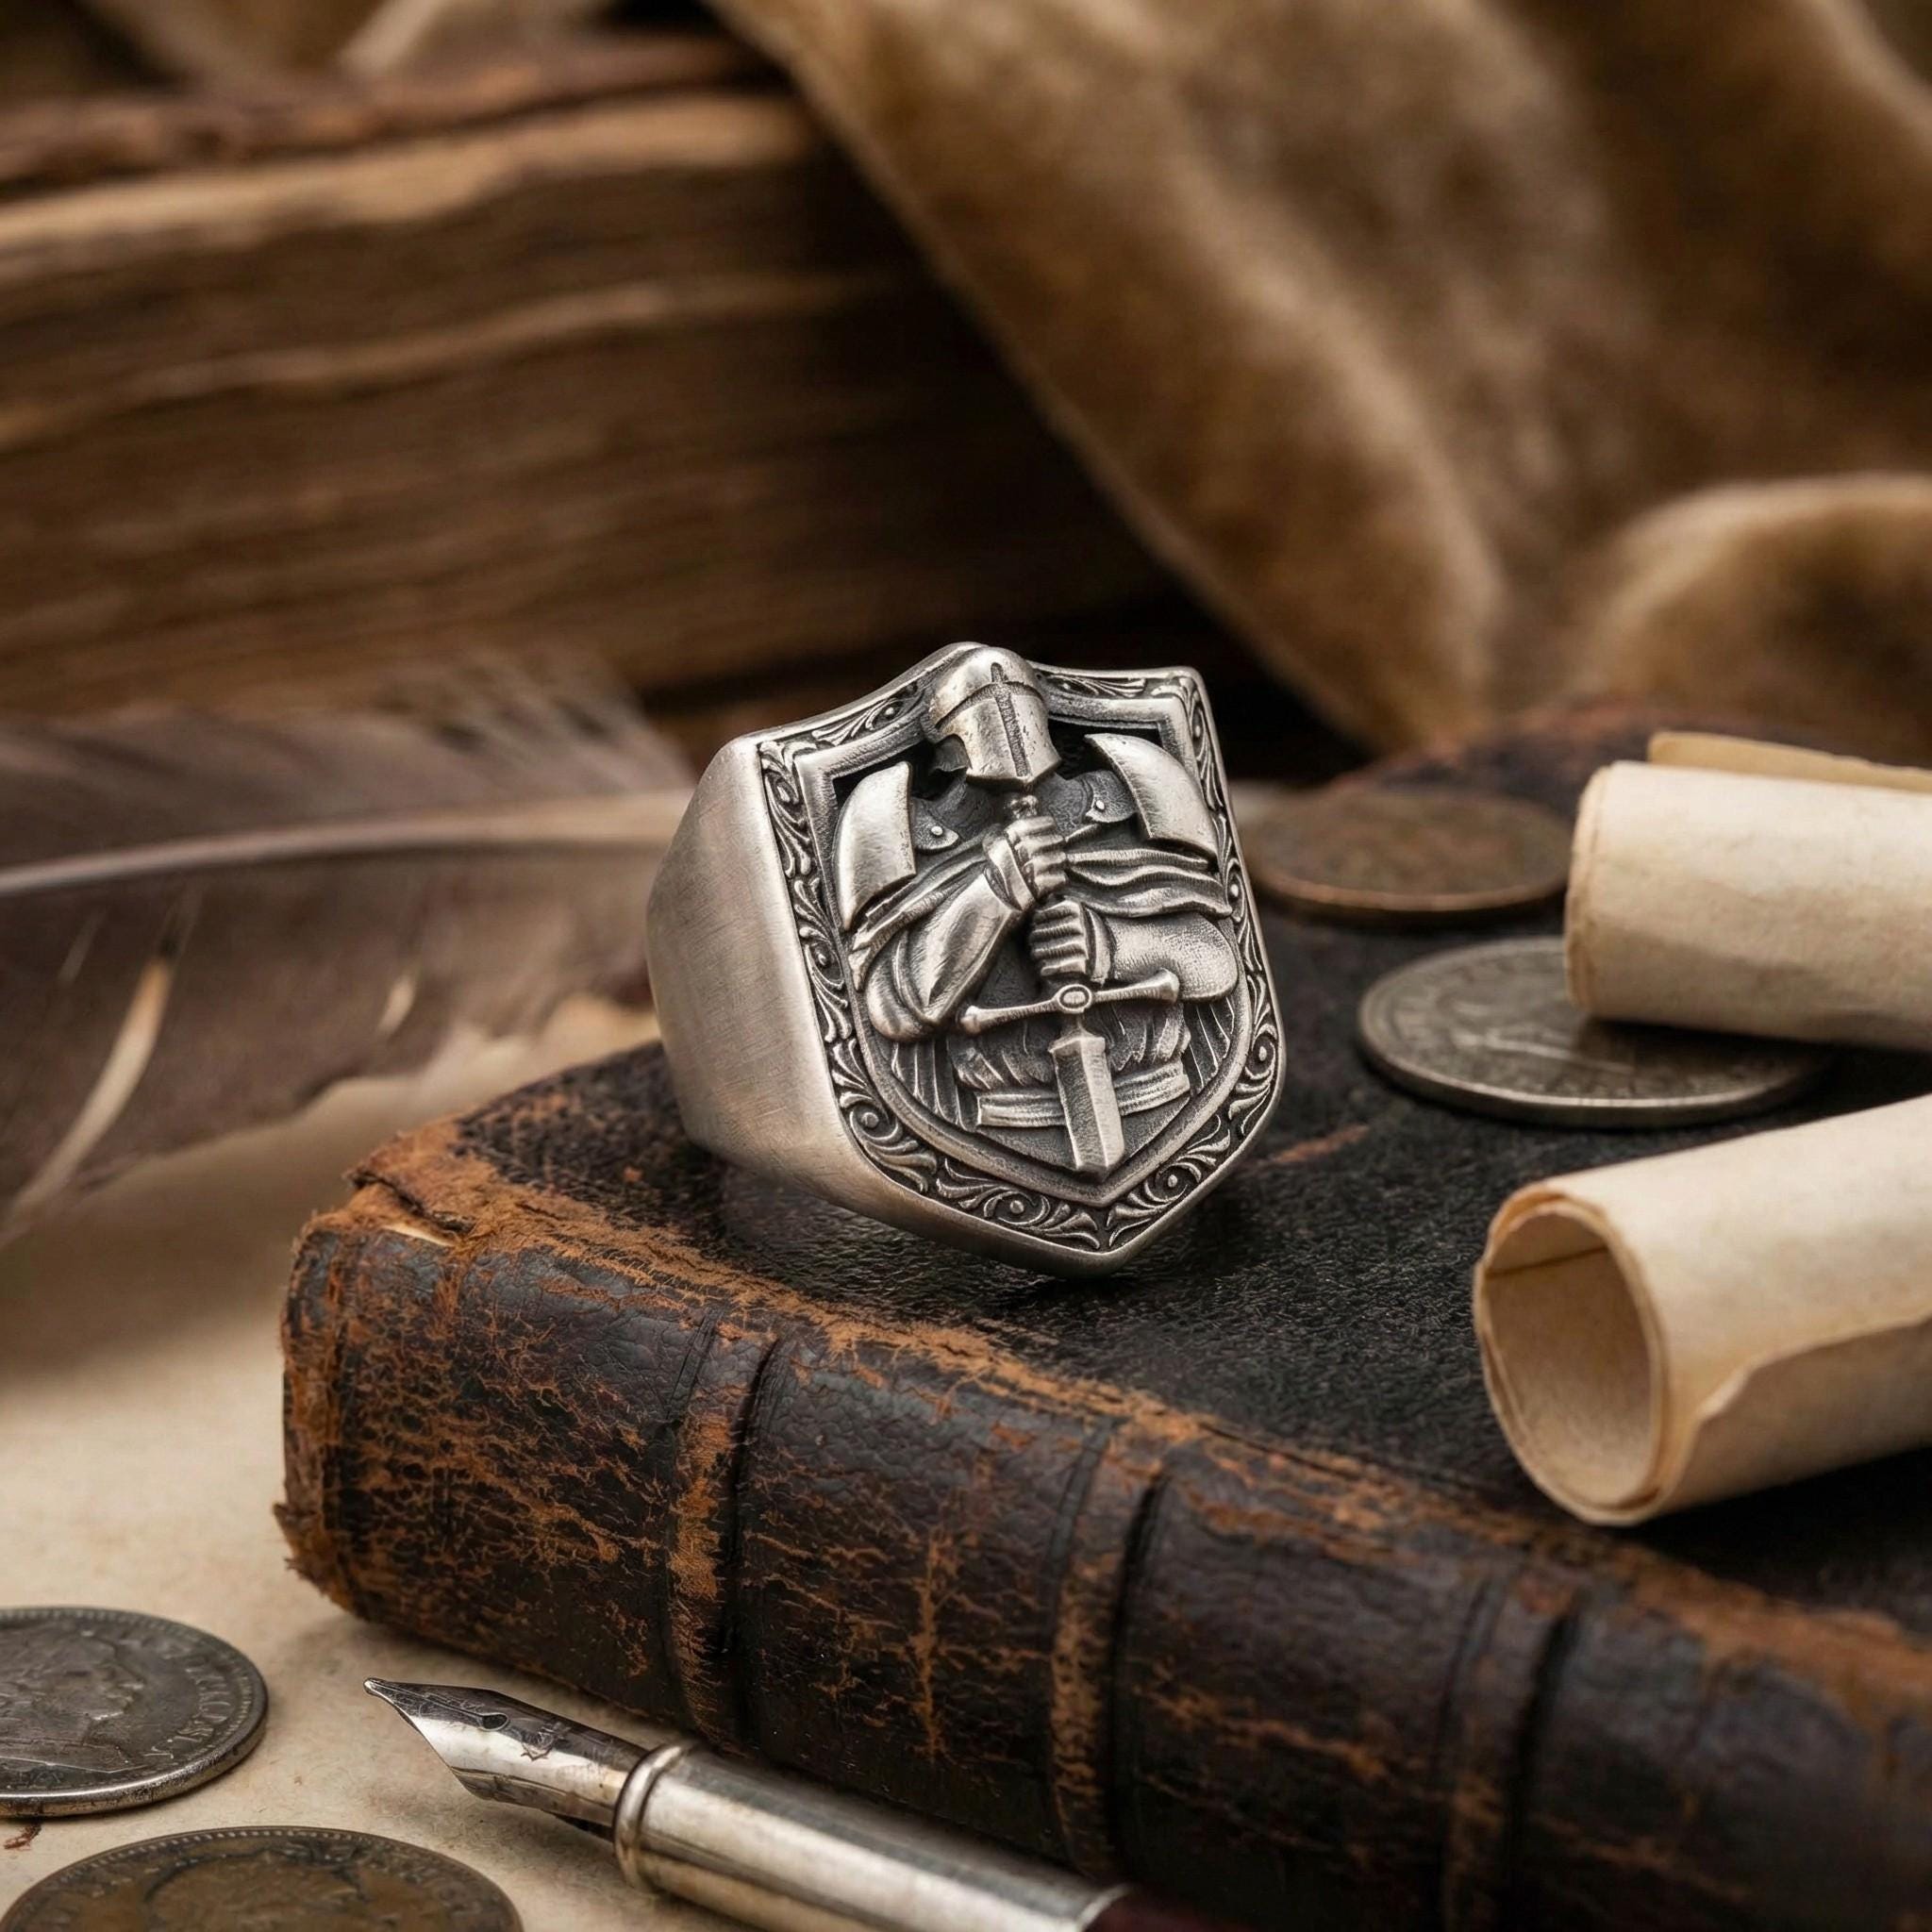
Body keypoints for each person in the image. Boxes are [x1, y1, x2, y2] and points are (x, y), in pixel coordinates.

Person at [836, 647, 1239, 1174]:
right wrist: (995, 890)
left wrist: (1108, 944)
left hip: (1165, 1100)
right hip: (1001, 1133)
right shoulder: (898, 830)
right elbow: (900, 1007)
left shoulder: (1132, 793)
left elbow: (1217, 963)